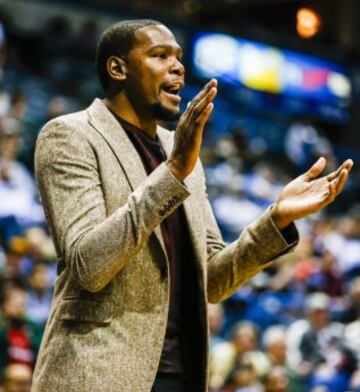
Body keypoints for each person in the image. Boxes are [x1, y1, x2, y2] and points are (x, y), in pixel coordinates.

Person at [31, 19, 353, 392]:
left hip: (181, 373)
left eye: (179, 58)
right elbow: (89, 265)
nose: (178, 67)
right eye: (159, 55)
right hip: (99, 373)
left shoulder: (183, 155)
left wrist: (276, 219)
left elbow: (212, 280)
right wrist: (171, 174)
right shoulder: (70, 136)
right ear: (118, 68)